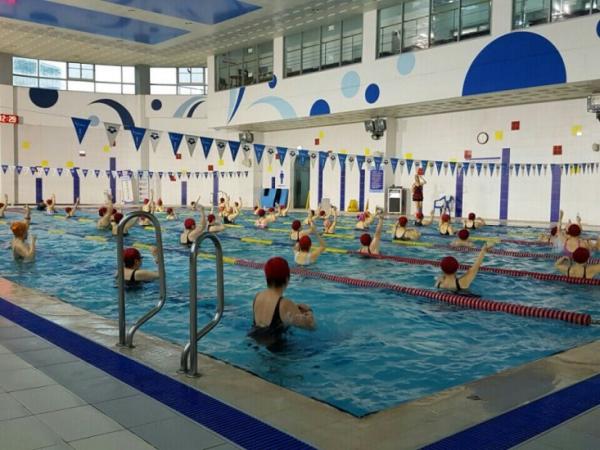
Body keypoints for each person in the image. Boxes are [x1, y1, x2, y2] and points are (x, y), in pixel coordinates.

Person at [248, 257, 315, 349]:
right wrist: (309, 310)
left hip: (253, 341)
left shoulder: (257, 296)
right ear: (287, 278)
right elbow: (311, 326)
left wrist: (294, 307)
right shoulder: (285, 304)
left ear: (266, 277)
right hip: (275, 349)